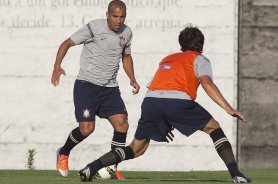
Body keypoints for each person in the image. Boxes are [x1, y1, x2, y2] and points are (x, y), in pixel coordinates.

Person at [78, 25, 252, 183]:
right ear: (202, 43)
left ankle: (91, 168)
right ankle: (236, 174)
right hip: (177, 102)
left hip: (151, 101)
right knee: (214, 128)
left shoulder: (168, 59)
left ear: (181, 44)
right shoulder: (199, 59)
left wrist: (165, 120)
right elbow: (206, 83)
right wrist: (229, 108)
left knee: (136, 148)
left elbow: (157, 87)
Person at [51, 0, 140, 179]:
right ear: (107, 14)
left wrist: (132, 78)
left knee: (122, 124)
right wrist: (57, 66)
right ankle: (63, 152)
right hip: (87, 86)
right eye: (115, 16)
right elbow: (66, 43)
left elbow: (127, 57)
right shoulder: (93, 28)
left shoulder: (127, 32)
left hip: (110, 89)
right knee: (86, 129)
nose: (118, 20)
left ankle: (111, 168)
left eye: (122, 17)